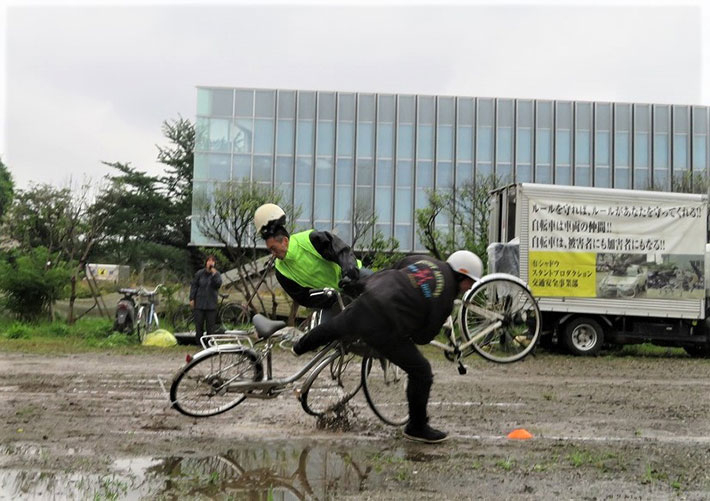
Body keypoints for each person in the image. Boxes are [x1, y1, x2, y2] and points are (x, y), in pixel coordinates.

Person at [292, 250, 483, 444]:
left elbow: (401, 263)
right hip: (383, 323)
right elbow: (423, 337)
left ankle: (298, 347)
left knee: (337, 326)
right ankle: (416, 427)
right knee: (422, 372)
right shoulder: (446, 297)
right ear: (462, 275)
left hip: (372, 293)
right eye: (471, 282)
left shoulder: (426, 261)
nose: (470, 288)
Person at [254, 203, 366, 316]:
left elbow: (341, 251)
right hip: (333, 300)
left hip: (355, 276)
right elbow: (303, 298)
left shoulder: (310, 239)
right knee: (326, 332)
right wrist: (328, 298)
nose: (272, 254)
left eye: (274, 248)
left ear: (285, 241)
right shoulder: (281, 272)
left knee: (381, 293)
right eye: (270, 250)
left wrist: (350, 273)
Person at [189, 255, 223, 342]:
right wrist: (192, 298)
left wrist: (214, 274)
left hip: (211, 304)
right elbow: (194, 286)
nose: (210, 263)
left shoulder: (217, 274)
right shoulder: (199, 273)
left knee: (210, 326)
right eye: (209, 261)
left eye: (212, 261)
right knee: (199, 324)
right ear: (206, 263)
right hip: (200, 303)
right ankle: (199, 342)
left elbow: (218, 284)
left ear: (214, 263)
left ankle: (209, 342)